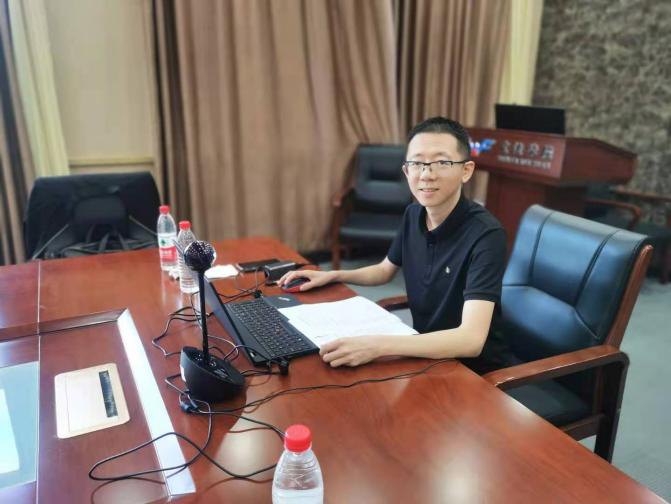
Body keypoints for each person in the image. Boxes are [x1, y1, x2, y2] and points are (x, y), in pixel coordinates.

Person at [279, 116, 508, 374]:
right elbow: (384, 270)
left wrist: (379, 346)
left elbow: (470, 340)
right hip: (424, 355)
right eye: (417, 163)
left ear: (466, 170)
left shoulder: (486, 234)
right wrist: (332, 275)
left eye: (442, 163)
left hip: (472, 372)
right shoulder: (413, 214)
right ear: (406, 171)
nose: (427, 174)